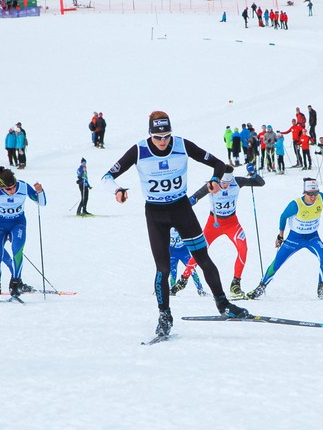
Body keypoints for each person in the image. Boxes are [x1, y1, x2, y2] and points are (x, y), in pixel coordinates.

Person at [101, 110, 251, 338]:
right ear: (150, 134)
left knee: (203, 258)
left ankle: (223, 304)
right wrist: (117, 190)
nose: (162, 141)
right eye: (157, 137)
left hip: (181, 209)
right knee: (163, 268)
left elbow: (219, 164)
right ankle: (165, 316)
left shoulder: (182, 145)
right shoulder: (139, 150)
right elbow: (107, 177)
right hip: (156, 214)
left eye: (166, 136)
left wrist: (214, 179)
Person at [171, 164, 265, 298]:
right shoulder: (211, 184)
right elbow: (194, 198)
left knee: (243, 249)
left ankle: (235, 284)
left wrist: (253, 173)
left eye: (228, 183)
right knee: (199, 252)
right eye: (223, 183)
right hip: (214, 225)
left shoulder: (237, 182)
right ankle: (183, 281)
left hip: (232, 224)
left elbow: (260, 183)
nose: (225, 185)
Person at [247, 178, 323, 300]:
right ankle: (260, 288)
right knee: (277, 262)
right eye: (310, 194)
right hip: (295, 238)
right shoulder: (296, 205)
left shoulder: (320, 197)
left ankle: (321, 290)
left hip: (313, 237)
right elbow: (283, 216)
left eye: (315, 193)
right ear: (304, 192)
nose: (313, 197)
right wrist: (280, 236)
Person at [0, 168, 46, 301]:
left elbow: (42, 203)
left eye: (14, 187)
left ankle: (16, 283)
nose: (12, 191)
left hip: (18, 223)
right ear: (1, 186)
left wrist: (40, 191)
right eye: (8, 189)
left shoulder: (23, 186)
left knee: (17, 250)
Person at [169, 228, 207, 297]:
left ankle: (200, 290)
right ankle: (172, 290)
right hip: (172, 251)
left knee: (192, 270)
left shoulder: (181, 224)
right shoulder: (167, 225)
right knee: (173, 272)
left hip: (184, 251)